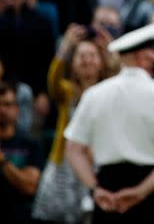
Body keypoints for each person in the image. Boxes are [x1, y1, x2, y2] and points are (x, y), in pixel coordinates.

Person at [64, 23, 154, 223]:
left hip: (108, 192)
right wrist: (141, 191)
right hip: (152, 192)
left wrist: (95, 189)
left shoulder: (94, 95)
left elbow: (73, 150)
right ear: (142, 56)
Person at [31, 24, 109, 223]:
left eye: (92, 55)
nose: (86, 60)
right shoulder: (67, 92)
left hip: (96, 165)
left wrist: (108, 46)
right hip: (64, 166)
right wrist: (65, 47)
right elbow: (53, 81)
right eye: (81, 55)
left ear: (101, 62)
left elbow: (117, 70)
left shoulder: (109, 92)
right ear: (72, 64)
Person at [0, 82, 43, 224]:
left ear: (17, 109)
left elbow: (30, 187)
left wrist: (3, 161)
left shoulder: (30, 143)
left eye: (7, 104)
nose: (2, 110)